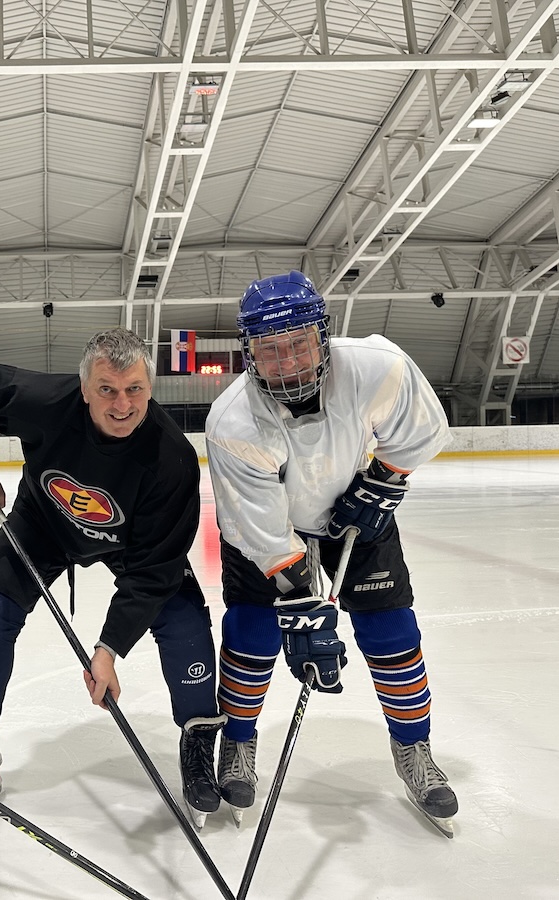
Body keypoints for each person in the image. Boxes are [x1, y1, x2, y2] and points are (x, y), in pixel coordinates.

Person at [0, 326, 224, 866]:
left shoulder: (172, 459)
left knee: (183, 616)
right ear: (85, 387)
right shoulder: (45, 402)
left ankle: (198, 736)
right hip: (44, 523)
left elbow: (154, 572)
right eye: (107, 389)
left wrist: (109, 649)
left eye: (135, 389)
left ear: (151, 386)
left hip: (132, 543)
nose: (122, 404)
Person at [204, 270, 458, 836]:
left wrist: (383, 480)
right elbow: (260, 528)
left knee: (393, 632)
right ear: (249, 353)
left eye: (298, 343)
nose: (287, 361)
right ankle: (237, 743)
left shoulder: (377, 366)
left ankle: (414, 749)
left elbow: (420, 429)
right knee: (252, 632)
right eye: (270, 350)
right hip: (270, 531)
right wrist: (301, 601)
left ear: (322, 336)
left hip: (357, 517)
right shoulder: (232, 419)